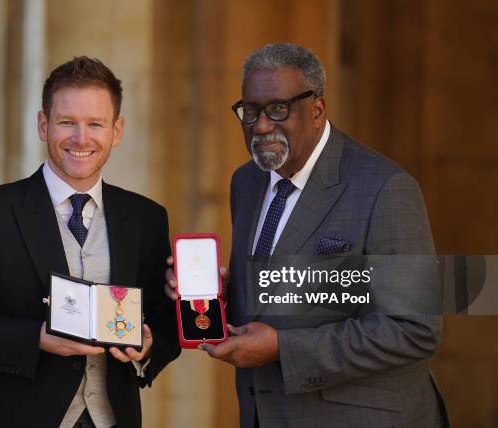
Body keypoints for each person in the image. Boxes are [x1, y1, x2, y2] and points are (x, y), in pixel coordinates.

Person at [166, 43, 448, 427]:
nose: (261, 125)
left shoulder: (386, 188)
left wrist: (283, 348)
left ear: (317, 110)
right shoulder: (246, 181)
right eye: (250, 112)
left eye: (279, 109)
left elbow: (414, 329)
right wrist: (216, 296)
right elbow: (279, 300)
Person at [0, 56, 180, 428]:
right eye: (66, 122)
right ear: (43, 125)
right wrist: (35, 339)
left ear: (117, 131)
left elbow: (164, 320)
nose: (81, 137)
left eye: (95, 124)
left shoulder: (146, 217)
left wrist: (151, 345)